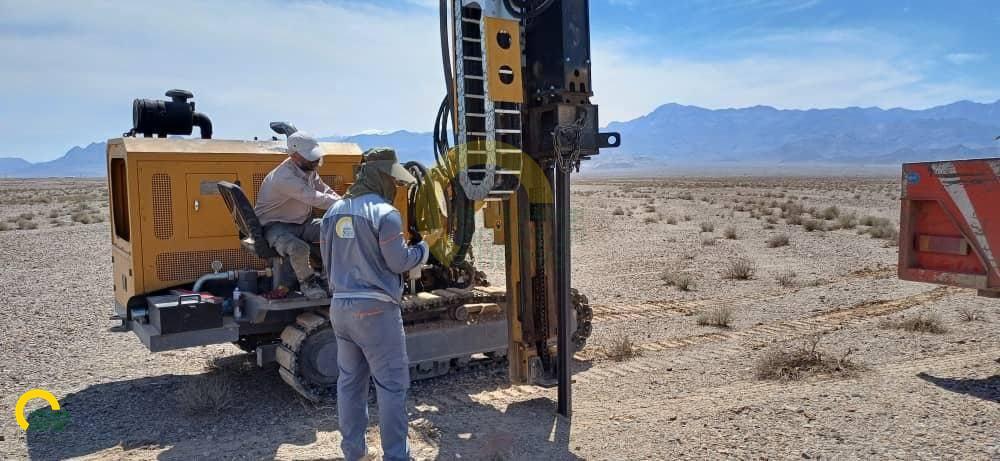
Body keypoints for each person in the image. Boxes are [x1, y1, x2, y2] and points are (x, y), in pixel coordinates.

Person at [320, 148, 428, 461]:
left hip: (340, 309)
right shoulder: (385, 214)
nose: (395, 186)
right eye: (392, 179)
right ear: (381, 176)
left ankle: (353, 453)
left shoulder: (332, 212)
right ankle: (396, 456)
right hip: (376, 311)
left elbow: (327, 261)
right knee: (391, 386)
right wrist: (422, 249)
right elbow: (399, 262)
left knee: (350, 384)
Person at [255, 131, 340, 299]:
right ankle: (308, 284)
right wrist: (345, 205)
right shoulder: (283, 177)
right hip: (275, 226)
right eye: (311, 158)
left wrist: (342, 202)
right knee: (299, 248)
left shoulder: (308, 169)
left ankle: (329, 277)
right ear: (294, 156)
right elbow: (313, 197)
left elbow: (324, 190)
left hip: (301, 222)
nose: (316, 161)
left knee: (336, 229)